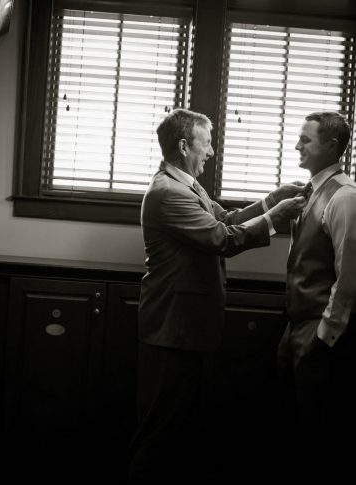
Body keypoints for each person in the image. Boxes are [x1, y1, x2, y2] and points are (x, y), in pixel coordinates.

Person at [128, 108, 306, 482]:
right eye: (206, 143)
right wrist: (275, 218)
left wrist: (270, 200)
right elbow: (221, 239)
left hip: (186, 328)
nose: (211, 152)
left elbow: (222, 219)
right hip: (171, 329)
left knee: (178, 427)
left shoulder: (186, 185)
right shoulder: (168, 193)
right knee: (161, 431)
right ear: (183, 145)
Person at [277, 111, 356, 479]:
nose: (297, 145)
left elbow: (350, 274)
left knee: (317, 434)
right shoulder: (309, 192)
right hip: (295, 326)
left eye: (306, 140)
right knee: (292, 426)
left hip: (317, 332)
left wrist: (326, 334)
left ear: (333, 147)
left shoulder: (345, 198)